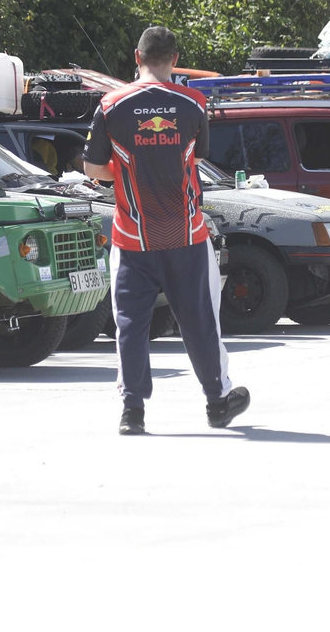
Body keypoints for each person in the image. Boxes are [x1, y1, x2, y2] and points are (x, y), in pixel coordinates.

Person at [83, 26, 249, 435]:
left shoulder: (110, 104)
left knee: (131, 325)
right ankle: (217, 401)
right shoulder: (193, 102)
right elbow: (194, 159)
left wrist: (123, 171)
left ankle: (132, 412)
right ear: (175, 60)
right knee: (200, 320)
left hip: (132, 237)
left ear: (135, 57)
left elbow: (92, 170)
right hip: (186, 236)